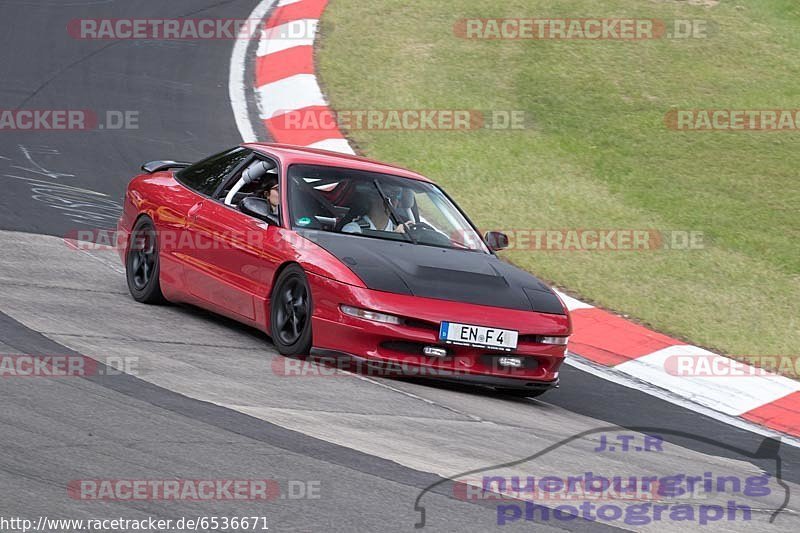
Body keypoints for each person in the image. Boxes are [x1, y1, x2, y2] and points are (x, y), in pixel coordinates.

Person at [341, 187, 408, 234]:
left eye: (396, 196)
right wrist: (394, 237)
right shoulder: (353, 229)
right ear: (372, 197)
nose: (393, 200)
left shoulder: (401, 232)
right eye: (388, 194)